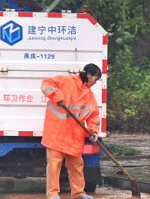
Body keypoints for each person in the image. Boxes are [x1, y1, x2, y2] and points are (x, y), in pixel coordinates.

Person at [41, 63, 102, 199]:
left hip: (74, 136)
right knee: (54, 165)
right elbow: (45, 84)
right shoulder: (65, 81)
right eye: (95, 78)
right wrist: (57, 95)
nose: (95, 82)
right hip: (56, 133)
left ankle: (78, 193)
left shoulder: (89, 95)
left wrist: (93, 131)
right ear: (88, 74)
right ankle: (52, 194)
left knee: (76, 166)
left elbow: (93, 115)